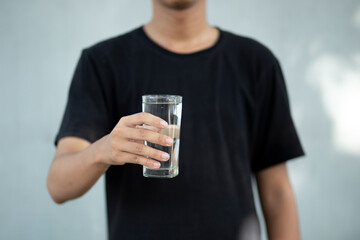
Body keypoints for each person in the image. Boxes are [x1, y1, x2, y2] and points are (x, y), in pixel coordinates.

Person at [47, 0, 305, 239]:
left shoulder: (257, 63)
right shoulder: (101, 63)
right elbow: (57, 185)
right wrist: (104, 150)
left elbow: (277, 194)